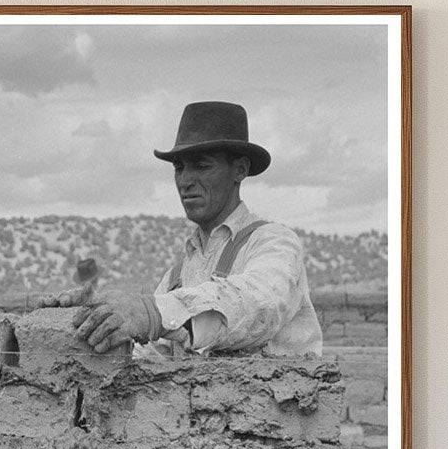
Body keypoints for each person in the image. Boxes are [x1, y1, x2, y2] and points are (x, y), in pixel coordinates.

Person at [71, 101, 322, 357]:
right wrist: (88, 330)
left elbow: (261, 303)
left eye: (202, 166)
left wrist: (154, 314)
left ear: (240, 170)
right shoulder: (177, 276)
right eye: (179, 168)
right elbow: (151, 356)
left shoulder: (273, 243)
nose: (186, 181)